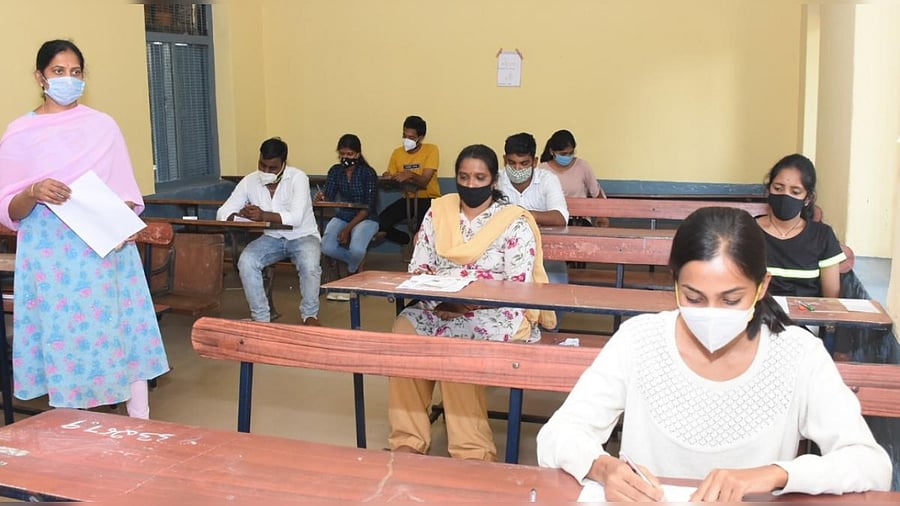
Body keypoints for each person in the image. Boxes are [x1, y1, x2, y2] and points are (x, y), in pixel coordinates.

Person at [536, 207, 891, 501]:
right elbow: (558, 436)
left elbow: (871, 465)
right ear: (674, 285)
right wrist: (603, 467)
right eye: (693, 297)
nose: (711, 313)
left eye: (731, 299)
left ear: (762, 286)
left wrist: (776, 475)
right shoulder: (638, 340)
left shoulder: (798, 355)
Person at [0, 40, 169, 418]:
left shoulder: (102, 127)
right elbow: (8, 209)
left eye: (76, 73)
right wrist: (33, 190)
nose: (68, 80)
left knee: (118, 333)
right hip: (51, 260)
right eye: (59, 72)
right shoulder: (19, 133)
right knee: (66, 342)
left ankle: (139, 422)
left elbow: (125, 193)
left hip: (103, 252)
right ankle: (72, 426)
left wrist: (123, 215)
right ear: (39, 76)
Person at [387, 144, 555, 461]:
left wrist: (469, 304)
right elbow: (420, 268)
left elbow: (520, 286)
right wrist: (439, 297)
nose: (471, 184)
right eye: (464, 177)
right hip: (440, 304)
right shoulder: (440, 213)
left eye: (480, 177)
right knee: (404, 333)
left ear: (493, 181)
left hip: (497, 311)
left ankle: (472, 451)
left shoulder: (512, 222)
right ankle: (408, 439)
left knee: (455, 343)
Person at [217, 137, 322, 326]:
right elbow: (222, 213)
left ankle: (310, 316)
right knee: (247, 261)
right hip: (272, 237)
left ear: (283, 164)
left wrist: (264, 215)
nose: (265, 171)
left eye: (272, 168)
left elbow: (296, 218)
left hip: (303, 236)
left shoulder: (298, 178)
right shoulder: (250, 181)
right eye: (262, 165)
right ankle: (261, 318)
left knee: (310, 265)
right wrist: (240, 215)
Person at [497, 132, 569, 325]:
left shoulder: (548, 179)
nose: (517, 168)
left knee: (555, 295)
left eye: (524, 163)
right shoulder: (496, 180)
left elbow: (561, 217)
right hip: (504, 256)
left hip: (546, 255)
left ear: (535, 162)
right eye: (512, 163)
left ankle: (550, 336)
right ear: (504, 159)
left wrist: (521, 214)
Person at [756, 154, 845, 299]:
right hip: (759, 318)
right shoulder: (747, 231)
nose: (785, 196)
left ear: (807, 199)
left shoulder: (822, 236)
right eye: (778, 188)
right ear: (768, 190)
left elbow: (831, 301)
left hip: (807, 320)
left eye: (795, 192)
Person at [317, 134, 379, 301]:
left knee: (357, 249)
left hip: (366, 217)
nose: (346, 158)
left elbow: (369, 207)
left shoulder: (368, 173)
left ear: (357, 154)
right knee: (326, 246)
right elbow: (328, 195)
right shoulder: (335, 171)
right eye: (342, 154)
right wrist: (321, 197)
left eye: (350, 154)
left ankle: (350, 273)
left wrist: (347, 229)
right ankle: (355, 265)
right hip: (344, 214)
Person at [378, 115, 440, 245]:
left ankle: (418, 251)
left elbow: (424, 182)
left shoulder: (431, 150)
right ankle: (405, 240)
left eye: (411, 138)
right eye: (404, 136)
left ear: (421, 137)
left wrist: (410, 174)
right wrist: (388, 178)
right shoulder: (397, 153)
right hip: (408, 199)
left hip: (429, 199)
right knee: (381, 222)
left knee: (422, 232)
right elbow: (393, 178)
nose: (407, 140)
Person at [538, 129, 608, 227]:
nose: (567, 157)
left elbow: (597, 194)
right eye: (563, 154)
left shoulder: (583, 166)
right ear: (551, 151)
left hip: (579, 221)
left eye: (570, 153)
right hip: (551, 221)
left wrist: (602, 216)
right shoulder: (542, 170)